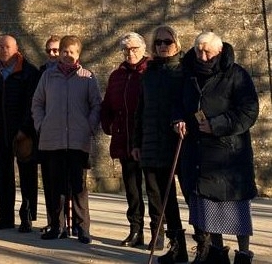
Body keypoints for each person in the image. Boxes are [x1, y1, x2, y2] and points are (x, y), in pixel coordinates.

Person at [174, 32, 259, 264]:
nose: (202, 56)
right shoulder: (188, 72)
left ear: (219, 51)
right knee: (208, 209)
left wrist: (217, 125)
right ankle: (216, 253)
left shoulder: (236, 74)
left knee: (237, 208)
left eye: (207, 51)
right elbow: (178, 103)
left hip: (229, 154)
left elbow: (249, 111)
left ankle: (243, 254)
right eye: (199, 50)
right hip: (199, 152)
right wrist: (178, 119)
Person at [32, 35, 102, 244]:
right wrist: (41, 125)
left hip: (78, 140)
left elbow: (96, 105)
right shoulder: (47, 77)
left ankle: (82, 228)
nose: (67, 55)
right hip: (52, 139)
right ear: (59, 53)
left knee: (78, 186)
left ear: (78, 54)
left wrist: (89, 126)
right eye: (64, 51)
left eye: (72, 52)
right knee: (55, 185)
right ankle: (57, 225)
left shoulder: (88, 77)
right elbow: (37, 103)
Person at [131, 25, 188, 263]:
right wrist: (136, 142)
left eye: (168, 42)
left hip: (178, 143)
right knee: (159, 197)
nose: (163, 46)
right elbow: (140, 111)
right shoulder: (149, 74)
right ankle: (178, 246)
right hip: (151, 143)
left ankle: (205, 245)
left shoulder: (184, 71)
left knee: (189, 196)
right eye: (159, 43)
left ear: (177, 44)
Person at [100, 32, 162, 248]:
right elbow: (107, 105)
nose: (130, 53)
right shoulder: (117, 75)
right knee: (132, 190)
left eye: (134, 49)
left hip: (148, 141)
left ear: (143, 49)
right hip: (124, 140)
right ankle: (135, 230)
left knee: (154, 190)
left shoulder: (151, 72)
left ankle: (157, 232)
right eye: (126, 49)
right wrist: (109, 125)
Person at [0, 35, 39, 232]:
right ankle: (4, 217)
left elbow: (33, 103)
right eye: (0, 46)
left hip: (23, 131)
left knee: (27, 176)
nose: (3, 49)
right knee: (3, 176)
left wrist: (25, 128)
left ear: (16, 48)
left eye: (7, 46)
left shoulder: (29, 71)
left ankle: (27, 218)